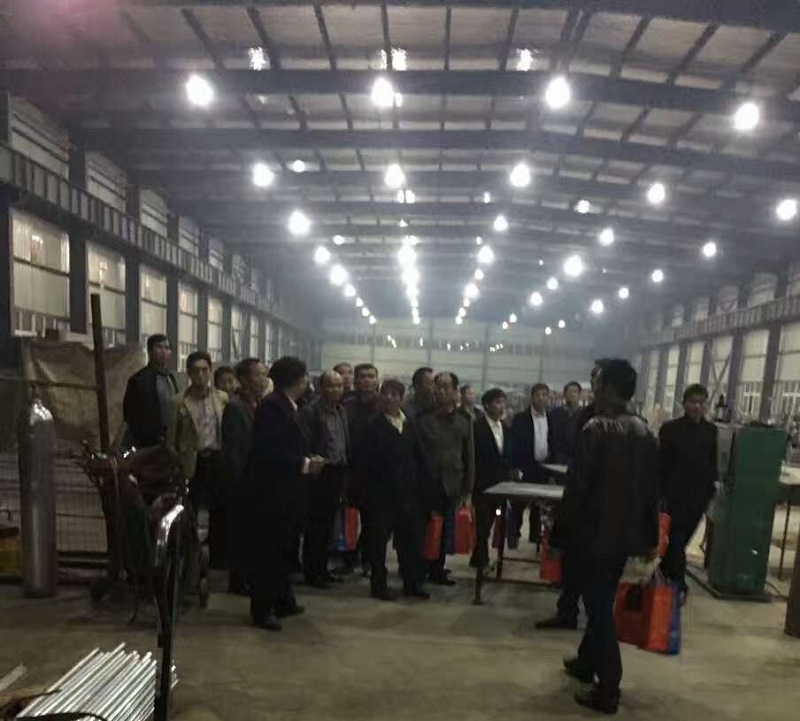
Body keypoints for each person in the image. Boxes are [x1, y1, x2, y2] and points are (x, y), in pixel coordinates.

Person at [563, 359, 660, 714]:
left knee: (599, 608)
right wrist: (649, 537)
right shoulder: (644, 431)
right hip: (624, 536)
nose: (594, 388)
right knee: (601, 599)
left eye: (598, 382)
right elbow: (652, 491)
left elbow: (578, 488)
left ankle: (608, 686)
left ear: (607, 388)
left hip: (594, 533)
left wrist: (561, 535)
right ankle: (586, 663)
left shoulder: (596, 429)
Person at [246, 356, 325, 631]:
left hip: (288, 492)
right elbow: (268, 452)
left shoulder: (289, 405)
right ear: (297, 380)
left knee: (284, 550)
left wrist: (307, 458)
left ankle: (283, 601)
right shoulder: (272, 408)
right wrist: (304, 464)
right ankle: (262, 610)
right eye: (304, 377)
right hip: (271, 493)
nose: (307, 382)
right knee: (269, 553)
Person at [539, 365, 603, 631]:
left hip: (606, 504)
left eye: (599, 380)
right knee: (573, 558)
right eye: (593, 380)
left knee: (599, 568)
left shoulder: (627, 422)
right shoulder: (586, 415)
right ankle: (568, 611)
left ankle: (598, 621)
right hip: (580, 498)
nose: (595, 385)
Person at [364, 379, 430, 601]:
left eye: (394, 394)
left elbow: (420, 458)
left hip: (410, 495)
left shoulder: (410, 424)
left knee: (410, 542)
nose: (389, 398)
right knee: (378, 544)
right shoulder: (373, 426)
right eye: (386, 393)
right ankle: (379, 585)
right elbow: (365, 463)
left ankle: (412, 583)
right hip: (382, 496)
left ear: (402, 398)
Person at [168, 351, 229, 569]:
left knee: (219, 511)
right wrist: (178, 462)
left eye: (204, 370)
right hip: (192, 462)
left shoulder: (222, 398)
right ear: (189, 373)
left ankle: (217, 560)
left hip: (216, 460)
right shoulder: (179, 402)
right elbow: (171, 439)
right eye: (196, 371)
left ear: (210, 371)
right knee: (191, 511)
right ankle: (191, 558)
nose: (201, 375)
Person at [659, 383, 717, 603]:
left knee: (681, 541)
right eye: (693, 402)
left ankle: (665, 574)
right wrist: (660, 494)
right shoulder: (670, 429)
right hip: (673, 496)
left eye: (701, 402)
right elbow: (661, 464)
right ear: (683, 404)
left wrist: (710, 491)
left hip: (698, 497)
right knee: (675, 538)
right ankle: (678, 584)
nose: (697, 406)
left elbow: (712, 463)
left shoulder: (710, 431)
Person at [417, 371, 474, 585]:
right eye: (437, 386)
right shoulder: (422, 419)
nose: (440, 391)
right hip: (426, 483)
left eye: (446, 387)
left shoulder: (464, 420)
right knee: (423, 529)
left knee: (444, 530)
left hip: (451, 484)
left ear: (455, 392)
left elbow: (469, 455)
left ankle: (437, 568)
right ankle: (418, 567)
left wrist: (468, 488)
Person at [222, 357, 270, 594]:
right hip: (242, 482)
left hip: (255, 480)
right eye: (257, 375)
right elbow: (234, 450)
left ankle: (249, 575)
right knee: (241, 533)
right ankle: (238, 581)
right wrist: (241, 483)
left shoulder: (258, 404)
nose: (263, 380)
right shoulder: (235, 407)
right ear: (243, 379)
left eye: (264, 374)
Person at [299, 370, 350, 589]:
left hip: (337, 472)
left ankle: (323, 569)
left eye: (339, 386)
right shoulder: (310, 412)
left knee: (329, 525)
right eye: (331, 385)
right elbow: (304, 442)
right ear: (320, 388)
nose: (336, 390)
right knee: (315, 526)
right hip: (319, 473)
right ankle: (312, 572)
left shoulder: (341, 411)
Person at [339, 363, 381, 576]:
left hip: (376, 474)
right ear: (355, 381)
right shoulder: (345, 407)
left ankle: (368, 560)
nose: (366, 380)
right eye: (362, 376)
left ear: (377, 380)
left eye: (371, 376)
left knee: (373, 521)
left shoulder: (384, 406)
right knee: (349, 520)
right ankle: (348, 560)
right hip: (351, 472)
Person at [470, 388, 511, 571]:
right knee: (482, 521)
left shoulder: (505, 427)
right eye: (497, 402)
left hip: (500, 483)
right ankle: (481, 556)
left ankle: (478, 554)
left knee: (494, 519)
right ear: (486, 405)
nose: (501, 406)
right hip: (482, 482)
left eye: (503, 402)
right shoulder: (477, 427)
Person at [509, 383, 552, 548]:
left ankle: (535, 537)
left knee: (539, 506)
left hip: (544, 467)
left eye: (544, 395)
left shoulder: (551, 419)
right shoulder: (521, 418)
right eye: (538, 395)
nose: (541, 398)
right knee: (518, 504)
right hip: (525, 467)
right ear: (532, 397)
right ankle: (513, 535)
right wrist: (515, 468)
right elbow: (514, 445)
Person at [122, 334, 178, 449]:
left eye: (167, 348)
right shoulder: (138, 380)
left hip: (171, 441)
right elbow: (129, 415)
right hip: (147, 443)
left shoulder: (172, 378)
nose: (164, 352)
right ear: (150, 351)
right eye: (159, 347)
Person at [549, 381, 583, 464]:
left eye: (575, 392)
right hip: (557, 458)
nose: (572, 394)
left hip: (578, 459)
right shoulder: (554, 414)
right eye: (570, 391)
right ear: (564, 394)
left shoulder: (584, 414)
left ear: (579, 395)